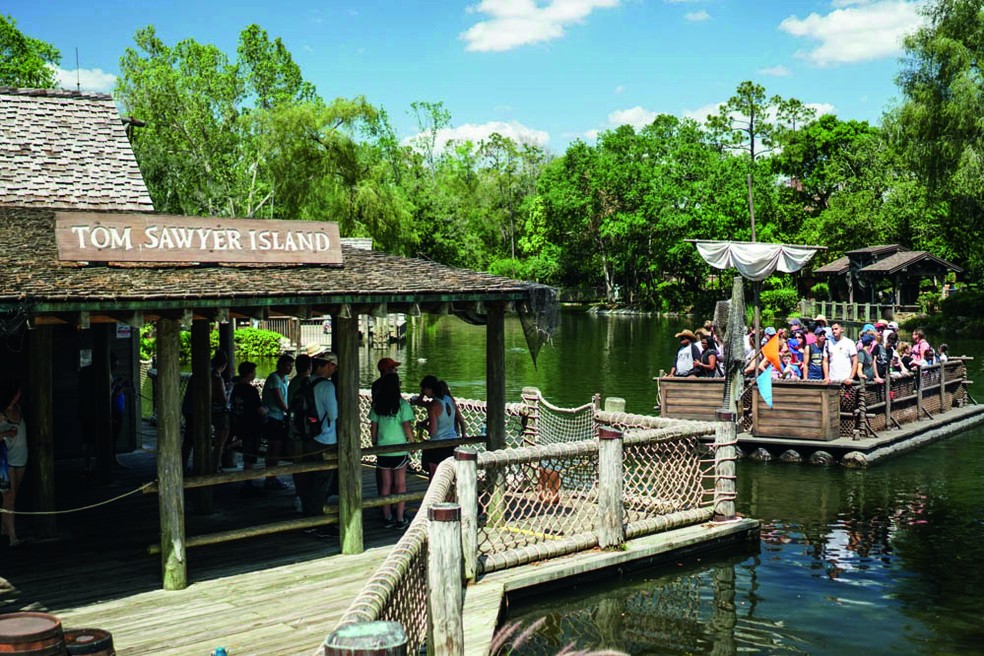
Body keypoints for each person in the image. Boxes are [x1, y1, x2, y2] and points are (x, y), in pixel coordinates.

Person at [299, 351, 339, 526]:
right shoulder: (327, 386)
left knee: (308, 478)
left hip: (306, 436)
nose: (334, 371)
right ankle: (317, 521)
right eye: (334, 367)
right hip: (325, 439)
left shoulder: (305, 381)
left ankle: (307, 517)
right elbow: (334, 414)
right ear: (328, 365)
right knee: (322, 482)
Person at [369, 373, 413, 529]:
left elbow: (373, 426)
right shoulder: (402, 405)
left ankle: (387, 516)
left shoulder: (377, 405)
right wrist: (412, 441)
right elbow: (406, 425)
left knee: (386, 484)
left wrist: (374, 442)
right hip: (399, 449)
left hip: (383, 448)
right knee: (400, 484)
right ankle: (400, 518)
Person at [418, 375, 467, 479]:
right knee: (449, 476)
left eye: (423, 389)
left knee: (435, 477)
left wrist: (423, 427)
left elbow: (433, 431)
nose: (423, 392)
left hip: (437, 445)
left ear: (429, 388)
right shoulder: (449, 400)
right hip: (452, 442)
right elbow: (461, 421)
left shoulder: (433, 405)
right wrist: (463, 436)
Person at [230, 361, 267, 493]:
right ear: (250, 373)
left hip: (240, 423)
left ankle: (247, 480)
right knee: (250, 454)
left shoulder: (236, 388)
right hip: (252, 426)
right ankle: (248, 482)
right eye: (254, 372)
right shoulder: (251, 390)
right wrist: (266, 410)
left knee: (247, 452)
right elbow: (259, 410)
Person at [261, 353, 294, 489]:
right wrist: (289, 411)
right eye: (287, 365)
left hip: (279, 416)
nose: (289, 369)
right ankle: (271, 478)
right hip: (273, 416)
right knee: (275, 446)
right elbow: (278, 399)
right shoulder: (274, 378)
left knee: (274, 447)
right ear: (280, 365)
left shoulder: (284, 378)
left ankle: (271, 476)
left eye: (291, 366)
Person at [1, 381, 27, 546]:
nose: (20, 394)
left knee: (12, 496)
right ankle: (12, 537)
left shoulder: (19, 409)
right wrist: (7, 433)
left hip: (21, 457)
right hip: (6, 460)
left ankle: (4, 528)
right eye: (18, 392)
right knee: (9, 498)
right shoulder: (2, 414)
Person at [287, 351, 313, 501]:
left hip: (293, 427)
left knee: (297, 463)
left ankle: (299, 494)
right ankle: (305, 495)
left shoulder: (293, 382)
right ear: (309, 367)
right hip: (305, 428)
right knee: (308, 462)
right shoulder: (307, 383)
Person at [210, 350, 232, 473]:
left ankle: (212, 465)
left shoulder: (208, 375)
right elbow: (224, 400)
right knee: (220, 443)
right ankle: (215, 467)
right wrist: (229, 389)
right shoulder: (218, 379)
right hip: (219, 413)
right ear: (224, 365)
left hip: (210, 411)